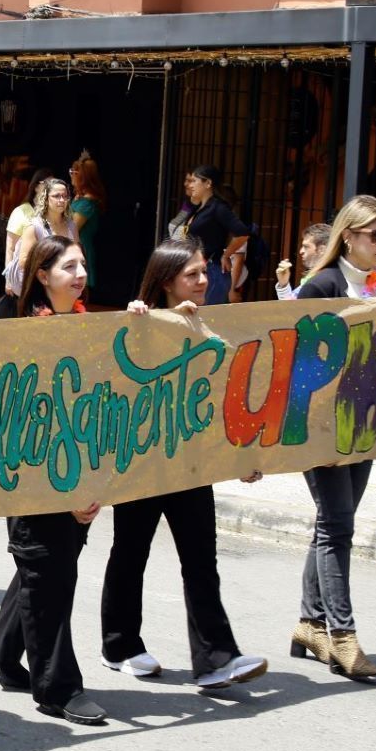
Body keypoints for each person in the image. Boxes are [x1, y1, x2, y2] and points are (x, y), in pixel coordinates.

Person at [106, 237, 270, 689]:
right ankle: (120, 646)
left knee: (200, 560)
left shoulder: (212, 327)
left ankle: (216, 658)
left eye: (204, 272)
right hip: (142, 464)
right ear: (165, 282)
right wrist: (137, 322)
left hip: (193, 465)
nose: (203, 281)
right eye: (192, 274)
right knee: (130, 553)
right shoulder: (140, 320)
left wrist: (241, 456)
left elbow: (224, 399)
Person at [292, 195, 376, 679]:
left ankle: (310, 622)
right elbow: (297, 356)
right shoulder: (320, 286)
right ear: (348, 235)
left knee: (333, 522)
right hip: (324, 426)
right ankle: (342, 635)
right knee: (338, 525)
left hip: (364, 423)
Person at [0, 236, 107, 725]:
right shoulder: (12, 327)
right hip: (29, 470)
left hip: (77, 465)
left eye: (83, 264)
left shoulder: (89, 325)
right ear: (42, 274)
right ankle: (56, 686)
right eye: (68, 265)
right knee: (48, 568)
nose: (79, 273)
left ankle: (3, 646)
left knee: (53, 562)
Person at [180, 164, 250, 306]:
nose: (190, 185)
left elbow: (242, 233)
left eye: (194, 181)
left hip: (212, 271)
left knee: (207, 320)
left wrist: (226, 254)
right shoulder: (198, 208)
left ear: (208, 183)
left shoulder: (218, 207)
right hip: (197, 270)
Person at [7, 177, 76, 297]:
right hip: (39, 289)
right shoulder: (34, 227)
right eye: (56, 196)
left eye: (65, 196)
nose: (61, 200)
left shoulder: (71, 226)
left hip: (64, 287)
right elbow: (24, 262)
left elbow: (76, 253)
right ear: (46, 198)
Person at [67, 151, 106, 298]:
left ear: (83, 177)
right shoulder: (81, 198)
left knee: (79, 286)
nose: (71, 175)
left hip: (81, 246)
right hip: (75, 244)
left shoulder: (88, 202)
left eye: (74, 172)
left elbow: (73, 227)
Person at [5, 172, 50, 271]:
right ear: (36, 187)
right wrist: (8, 281)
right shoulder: (20, 212)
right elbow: (10, 249)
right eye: (47, 183)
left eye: (53, 184)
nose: (50, 187)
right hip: (22, 273)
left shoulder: (55, 214)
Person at [275, 223, 331, 301]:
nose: (301, 251)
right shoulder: (322, 276)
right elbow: (290, 307)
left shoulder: (321, 280)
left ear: (322, 249)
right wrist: (283, 284)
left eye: (306, 247)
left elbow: (290, 310)